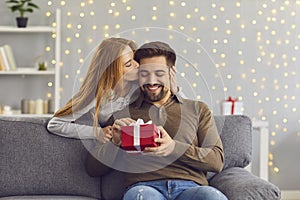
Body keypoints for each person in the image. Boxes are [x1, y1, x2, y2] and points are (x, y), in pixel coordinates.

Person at [86, 41, 227, 200]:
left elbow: (216, 161)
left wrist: (174, 148)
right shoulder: (122, 114)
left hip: (191, 188)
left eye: (159, 74)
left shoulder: (197, 109)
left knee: (212, 197)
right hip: (144, 188)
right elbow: (93, 169)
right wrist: (115, 142)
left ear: (171, 73)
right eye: (145, 74)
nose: (151, 81)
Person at [47, 38, 178, 142]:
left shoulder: (140, 86)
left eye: (134, 59)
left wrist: (174, 90)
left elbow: (179, 110)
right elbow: (54, 124)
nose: (137, 65)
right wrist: (97, 132)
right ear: (112, 72)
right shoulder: (98, 95)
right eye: (128, 64)